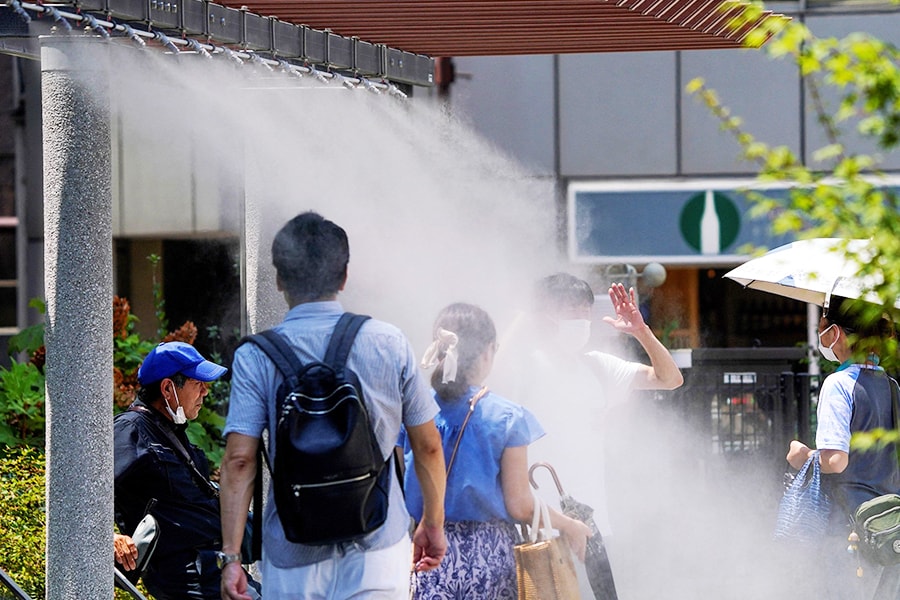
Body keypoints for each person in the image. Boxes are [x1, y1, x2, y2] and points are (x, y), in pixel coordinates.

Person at [218, 211, 448, 600]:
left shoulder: (256, 357)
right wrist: (433, 523)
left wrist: (231, 557)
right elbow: (427, 447)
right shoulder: (388, 342)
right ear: (344, 277)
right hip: (379, 544)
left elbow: (239, 461)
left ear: (278, 279)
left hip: (293, 553)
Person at [490, 272, 684, 597]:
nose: (580, 319)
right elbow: (491, 377)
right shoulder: (525, 366)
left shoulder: (597, 366)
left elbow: (669, 379)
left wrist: (640, 330)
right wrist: (525, 314)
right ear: (545, 315)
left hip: (594, 524)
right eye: (570, 310)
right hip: (536, 523)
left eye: (584, 310)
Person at [401, 302, 593, 598]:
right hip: (491, 557)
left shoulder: (414, 412)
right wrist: (570, 525)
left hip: (427, 553)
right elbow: (520, 505)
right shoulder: (506, 417)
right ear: (488, 351)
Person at [113, 341, 260, 600]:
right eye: (197, 383)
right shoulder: (130, 429)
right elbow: (83, 492)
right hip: (185, 574)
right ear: (168, 388)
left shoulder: (171, 431)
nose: (205, 392)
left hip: (215, 567)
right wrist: (109, 537)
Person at [786, 295, 900, 600]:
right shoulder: (891, 386)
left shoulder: (839, 384)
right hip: (889, 528)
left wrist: (803, 456)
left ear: (834, 332)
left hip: (848, 528)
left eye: (823, 325)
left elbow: (835, 461)